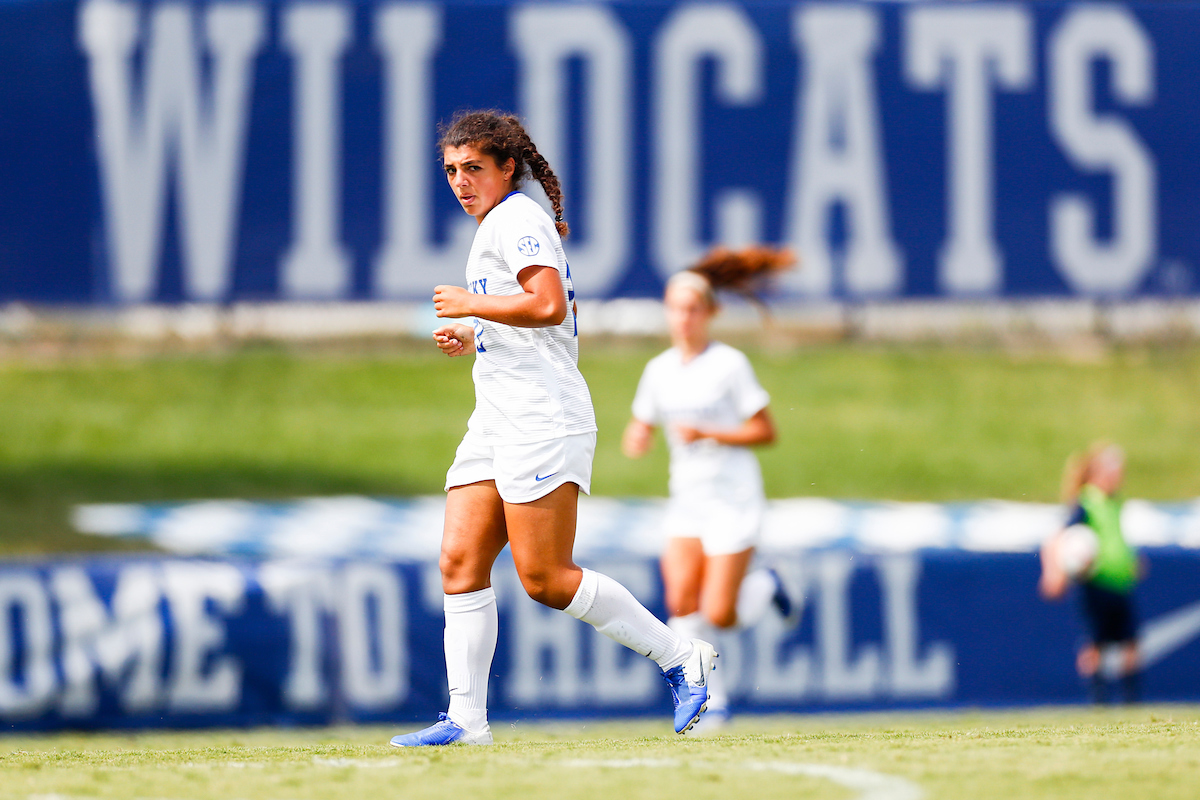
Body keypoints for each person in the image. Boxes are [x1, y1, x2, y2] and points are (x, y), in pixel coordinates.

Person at [389, 110, 715, 747]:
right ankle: (467, 720)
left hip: (543, 414)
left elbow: (547, 306)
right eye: (451, 171)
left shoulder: (516, 217)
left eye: (474, 168)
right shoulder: (498, 224)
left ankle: (681, 658)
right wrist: (474, 331)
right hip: (499, 412)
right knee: (459, 560)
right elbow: (529, 317)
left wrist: (469, 304)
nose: (460, 182)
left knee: (545, 577)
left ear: (508, 168)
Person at [621, 247, 796, 733]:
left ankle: (768, 584)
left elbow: (765, 431)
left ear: (711, 313)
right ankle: (708, 701)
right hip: (688, 500)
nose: (684, 318)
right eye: (676, 308)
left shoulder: (729, 365)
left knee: (720, 612)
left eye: (693, 309)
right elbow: (642, 423)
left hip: (733, 500)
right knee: (681, 602)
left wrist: (710, 432)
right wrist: (639, 436)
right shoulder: (659, 370)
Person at [1039, 442, 1141, 703]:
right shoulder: (1086, 503)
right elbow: (1058, 538)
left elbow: (1113, 539)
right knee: (1096, 643)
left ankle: (1131, 701)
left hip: (1120, 583)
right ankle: (1098, 700)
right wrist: (1053, 572)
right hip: (1096, 583)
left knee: (1130, 642)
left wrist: (1129, 562)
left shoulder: (1114, 503)